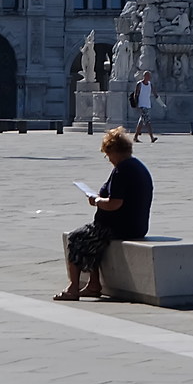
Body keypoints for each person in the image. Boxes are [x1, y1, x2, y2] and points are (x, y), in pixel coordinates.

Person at [56, 129, 152, 301]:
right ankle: (93, 284)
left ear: (113, 151)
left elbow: (114, 204)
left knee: (76, 238)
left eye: (107, 155)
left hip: (120, 227)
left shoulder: (122, 171)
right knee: (91, 238)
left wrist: (96, 200)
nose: (108, 159)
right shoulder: (137, 166)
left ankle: (73, 288)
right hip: (136, 224)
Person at [133, 73, 156, 142]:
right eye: (148, 76)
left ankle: (135, 137)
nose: (149, 77)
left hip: (147, 104)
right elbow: (136, 94)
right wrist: (136, 104)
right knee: (147, 121)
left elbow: (155, 93)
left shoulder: (150, 84)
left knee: (141, 121)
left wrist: (160, 102)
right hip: (142, 105)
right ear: (144, 76)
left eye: (149, 76)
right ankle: (152, 137)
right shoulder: (139, 84)